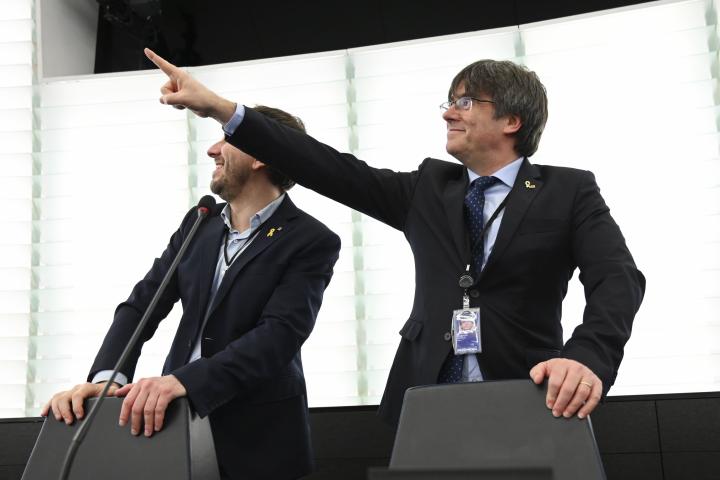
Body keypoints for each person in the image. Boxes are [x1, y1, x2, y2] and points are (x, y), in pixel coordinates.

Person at [143, 48, 645, 427]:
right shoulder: (428, 188)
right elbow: (328, 168)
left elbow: (618, 279)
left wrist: (586, 358)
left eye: (465, 102)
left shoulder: (569, 191)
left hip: (530, 396)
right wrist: (222, 110)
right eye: (449, 102)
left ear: (512, 120)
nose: (448, 113)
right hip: (424, 402)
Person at [41, 105, 341, 480]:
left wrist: (187, 381)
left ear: (260, 156)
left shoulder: (311, 239)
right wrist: (106, 382)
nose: (213, 150)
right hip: (172, 426)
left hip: (258, 440)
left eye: (227, 140)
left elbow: (280, 335)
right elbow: (141, 306)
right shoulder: (200, 222)